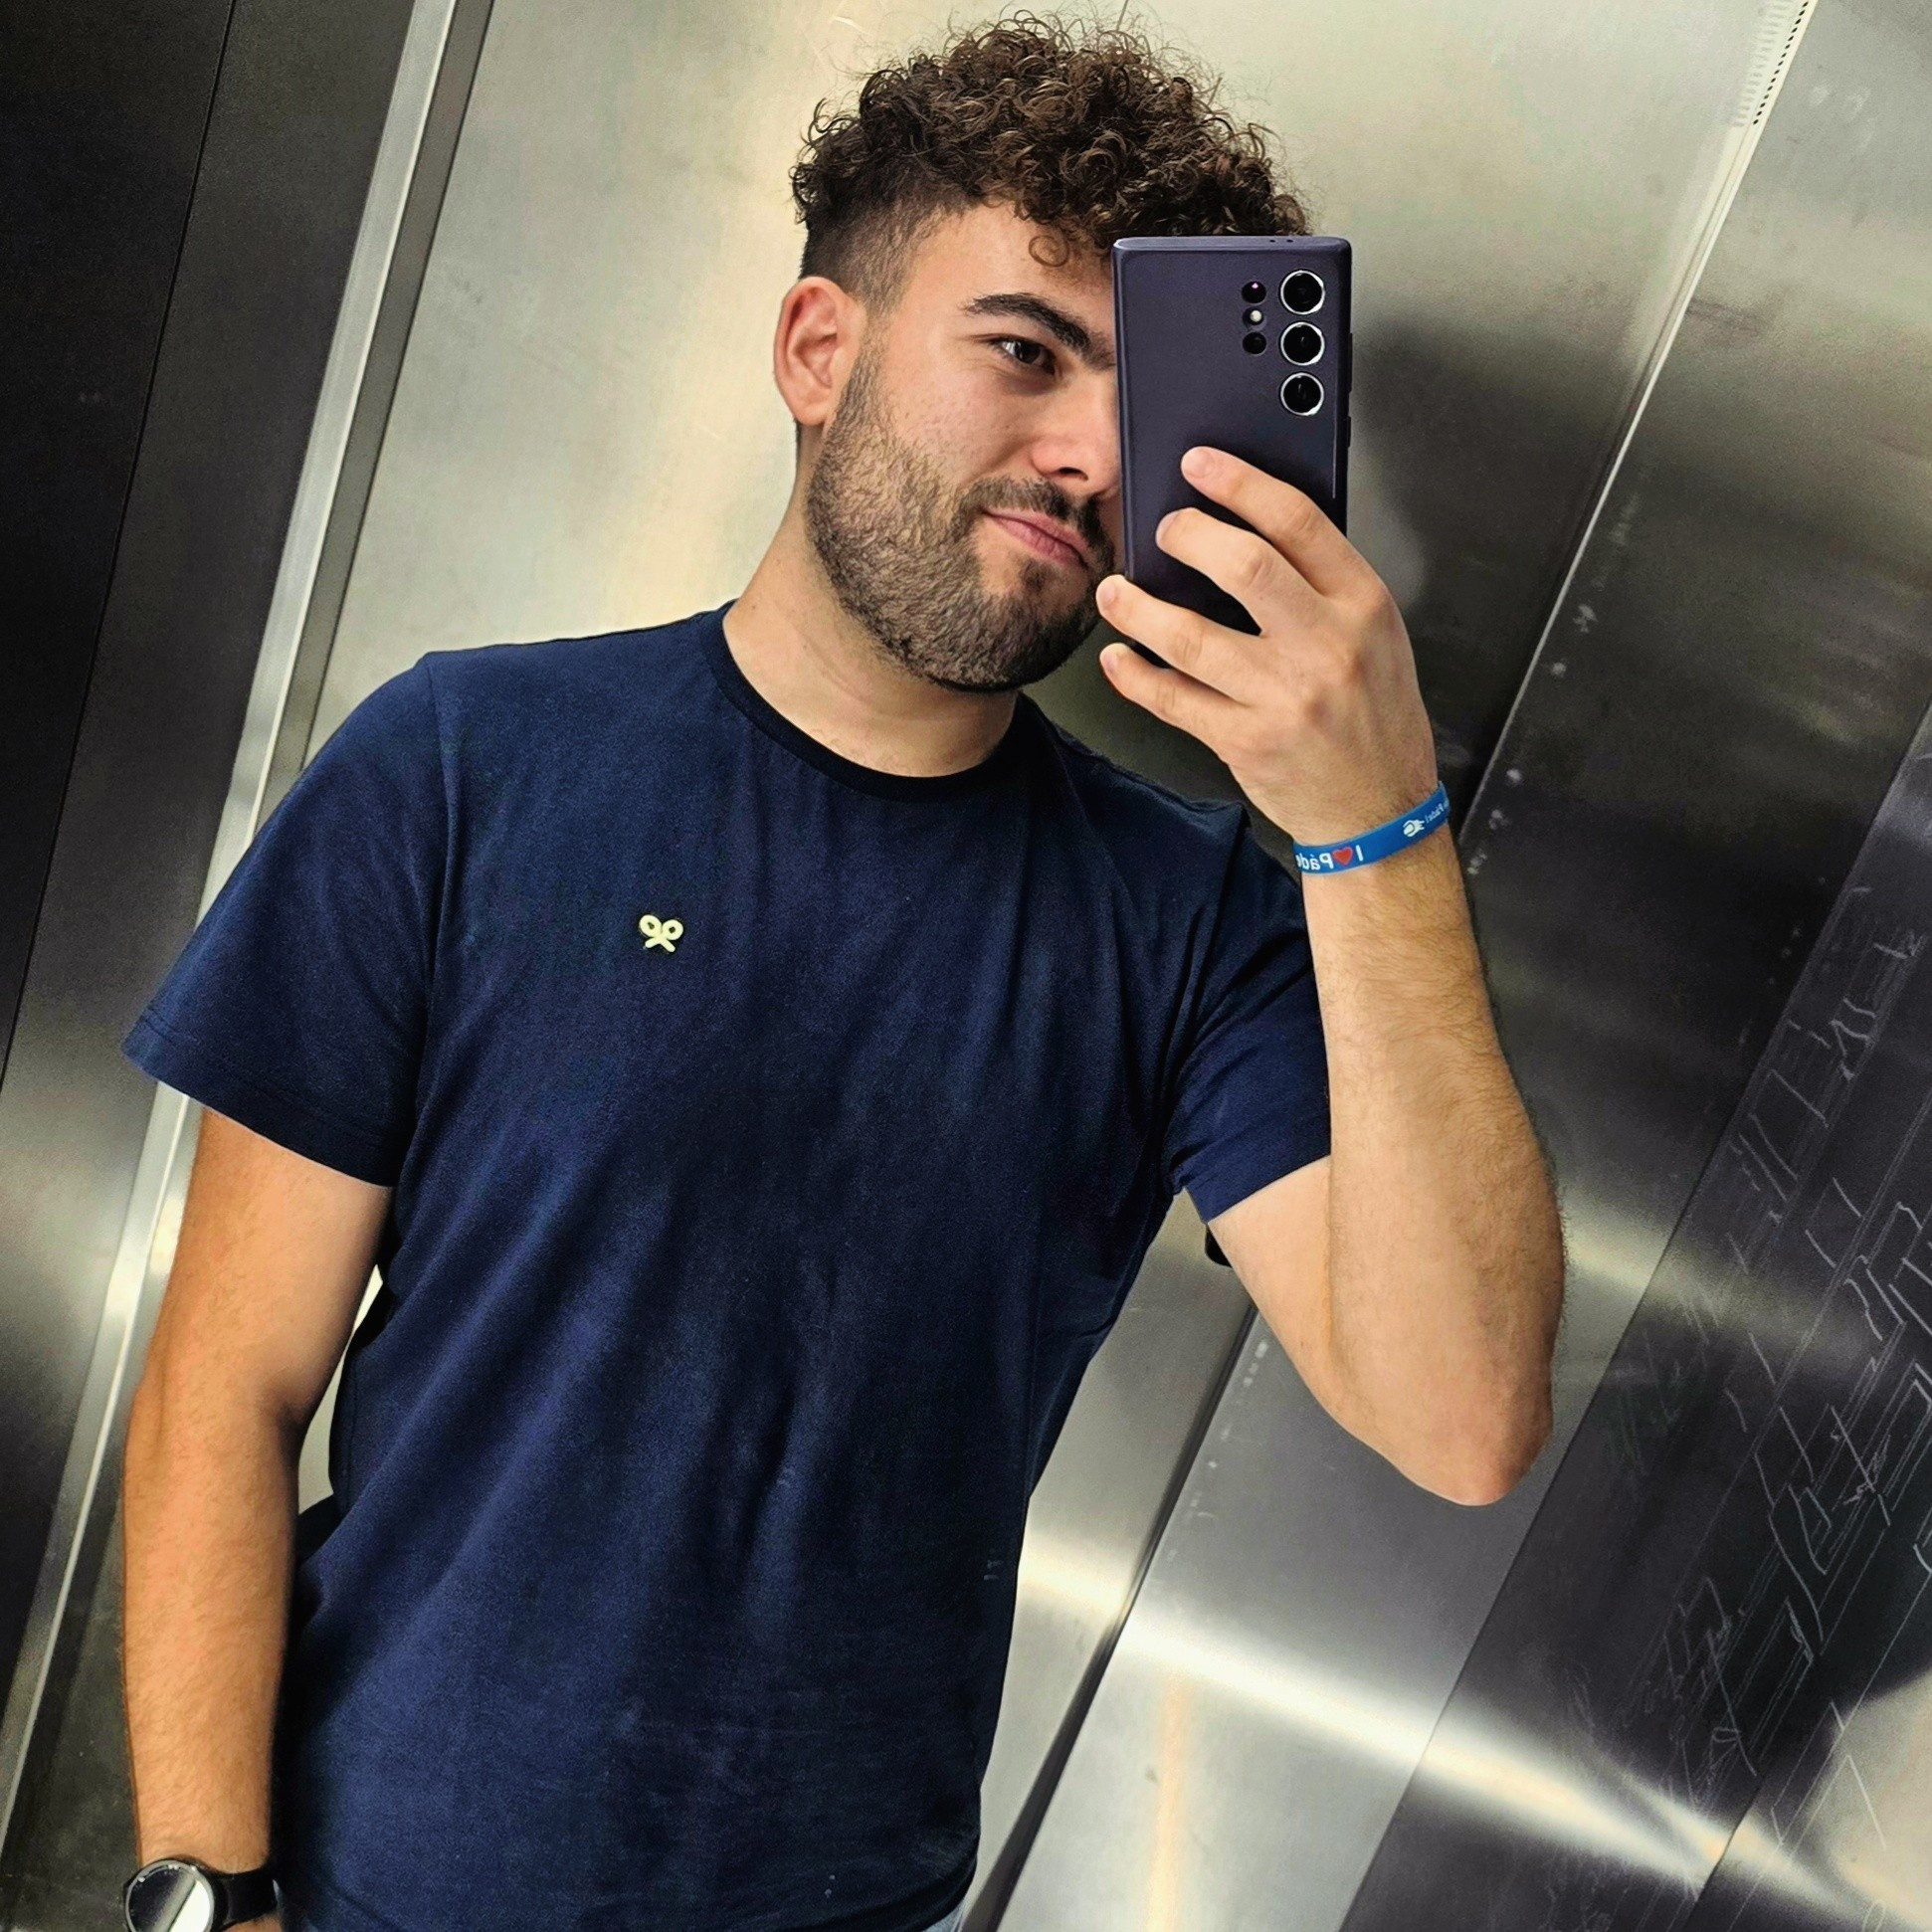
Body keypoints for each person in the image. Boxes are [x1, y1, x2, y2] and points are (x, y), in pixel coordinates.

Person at [116, 15, 1565, 1932]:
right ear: (819, 350)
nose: (1086, 454)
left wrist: (1374, 822)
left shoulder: (1192, 917)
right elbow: (226, 1385)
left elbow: (1460, 1414)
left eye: (1138, 404)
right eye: (1025, 351)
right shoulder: (462, 766)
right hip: (373, 1884)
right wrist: (213, 1897)